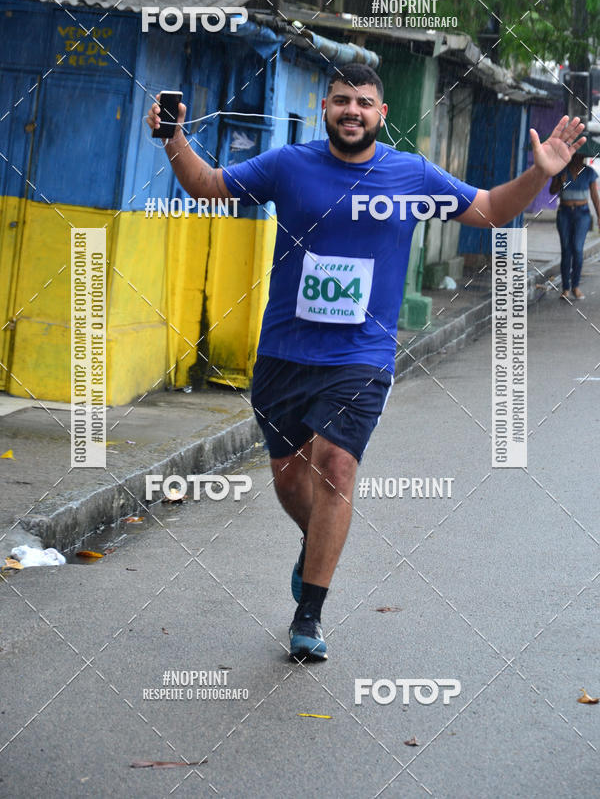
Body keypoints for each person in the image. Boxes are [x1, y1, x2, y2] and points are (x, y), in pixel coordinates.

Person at [148, 63, 584, 661]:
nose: (352, 111)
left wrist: (539, 173)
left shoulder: (409, 175)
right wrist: (173, 138)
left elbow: (487, 211)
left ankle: (310, 614)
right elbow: (206, 185)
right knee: (289, 476)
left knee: (336, 467)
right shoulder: (288, 165)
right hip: (284, 353)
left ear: (383, 115)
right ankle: (315, 546)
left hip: (362, 355)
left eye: (364, 103)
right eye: (342, 101)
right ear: (326, 109)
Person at [549, 152, 600, 300]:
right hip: (564, 213)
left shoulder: (589, 172)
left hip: (582, 214)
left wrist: (599, 216)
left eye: (581, 156)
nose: (578, 159)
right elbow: (552, 191)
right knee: (566, 250)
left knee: (577, 249)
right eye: (575, 156)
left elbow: (594, 196)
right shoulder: (561, 170)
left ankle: (575, 286)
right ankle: (565, 288)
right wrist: (560, 182)